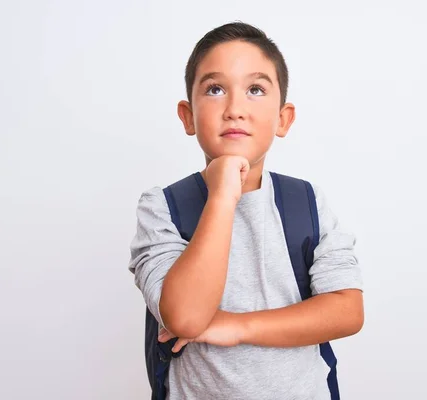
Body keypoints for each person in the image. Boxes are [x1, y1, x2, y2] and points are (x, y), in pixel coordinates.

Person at [128, 21, 364, 400]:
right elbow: (185, 317)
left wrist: (234, 326)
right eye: (215, 89)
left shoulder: (307, 202)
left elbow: (347, 311)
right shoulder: (162, 207)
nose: (235, 108)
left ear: (283, 118)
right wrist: (222, 193)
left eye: (255, 90)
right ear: (188, 116)